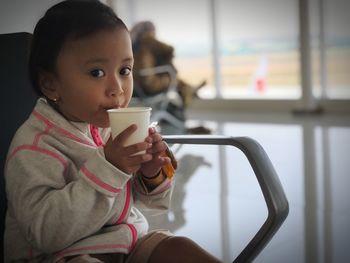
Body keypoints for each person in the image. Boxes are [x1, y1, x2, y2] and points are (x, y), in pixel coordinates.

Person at [3, 1, 222, 263]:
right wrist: (109, 166)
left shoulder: (106, 127)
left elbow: (150, 202)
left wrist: (151, 173)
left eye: (125, 70)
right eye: (96, 72)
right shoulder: (35, 148)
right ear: (50, 84)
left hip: (124, 243)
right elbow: (45, 234)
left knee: (179, 248)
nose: (117, 88)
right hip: (61, 255)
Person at [130, 21, 206, 108]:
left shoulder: (130, 45)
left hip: (135, 87)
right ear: (149, 32)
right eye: (153, 32)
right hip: (147, 87)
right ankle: (190, 90)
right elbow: (148, 79)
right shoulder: (147, 45)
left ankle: (190, 89)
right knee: (173, 79)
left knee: (175, 80)